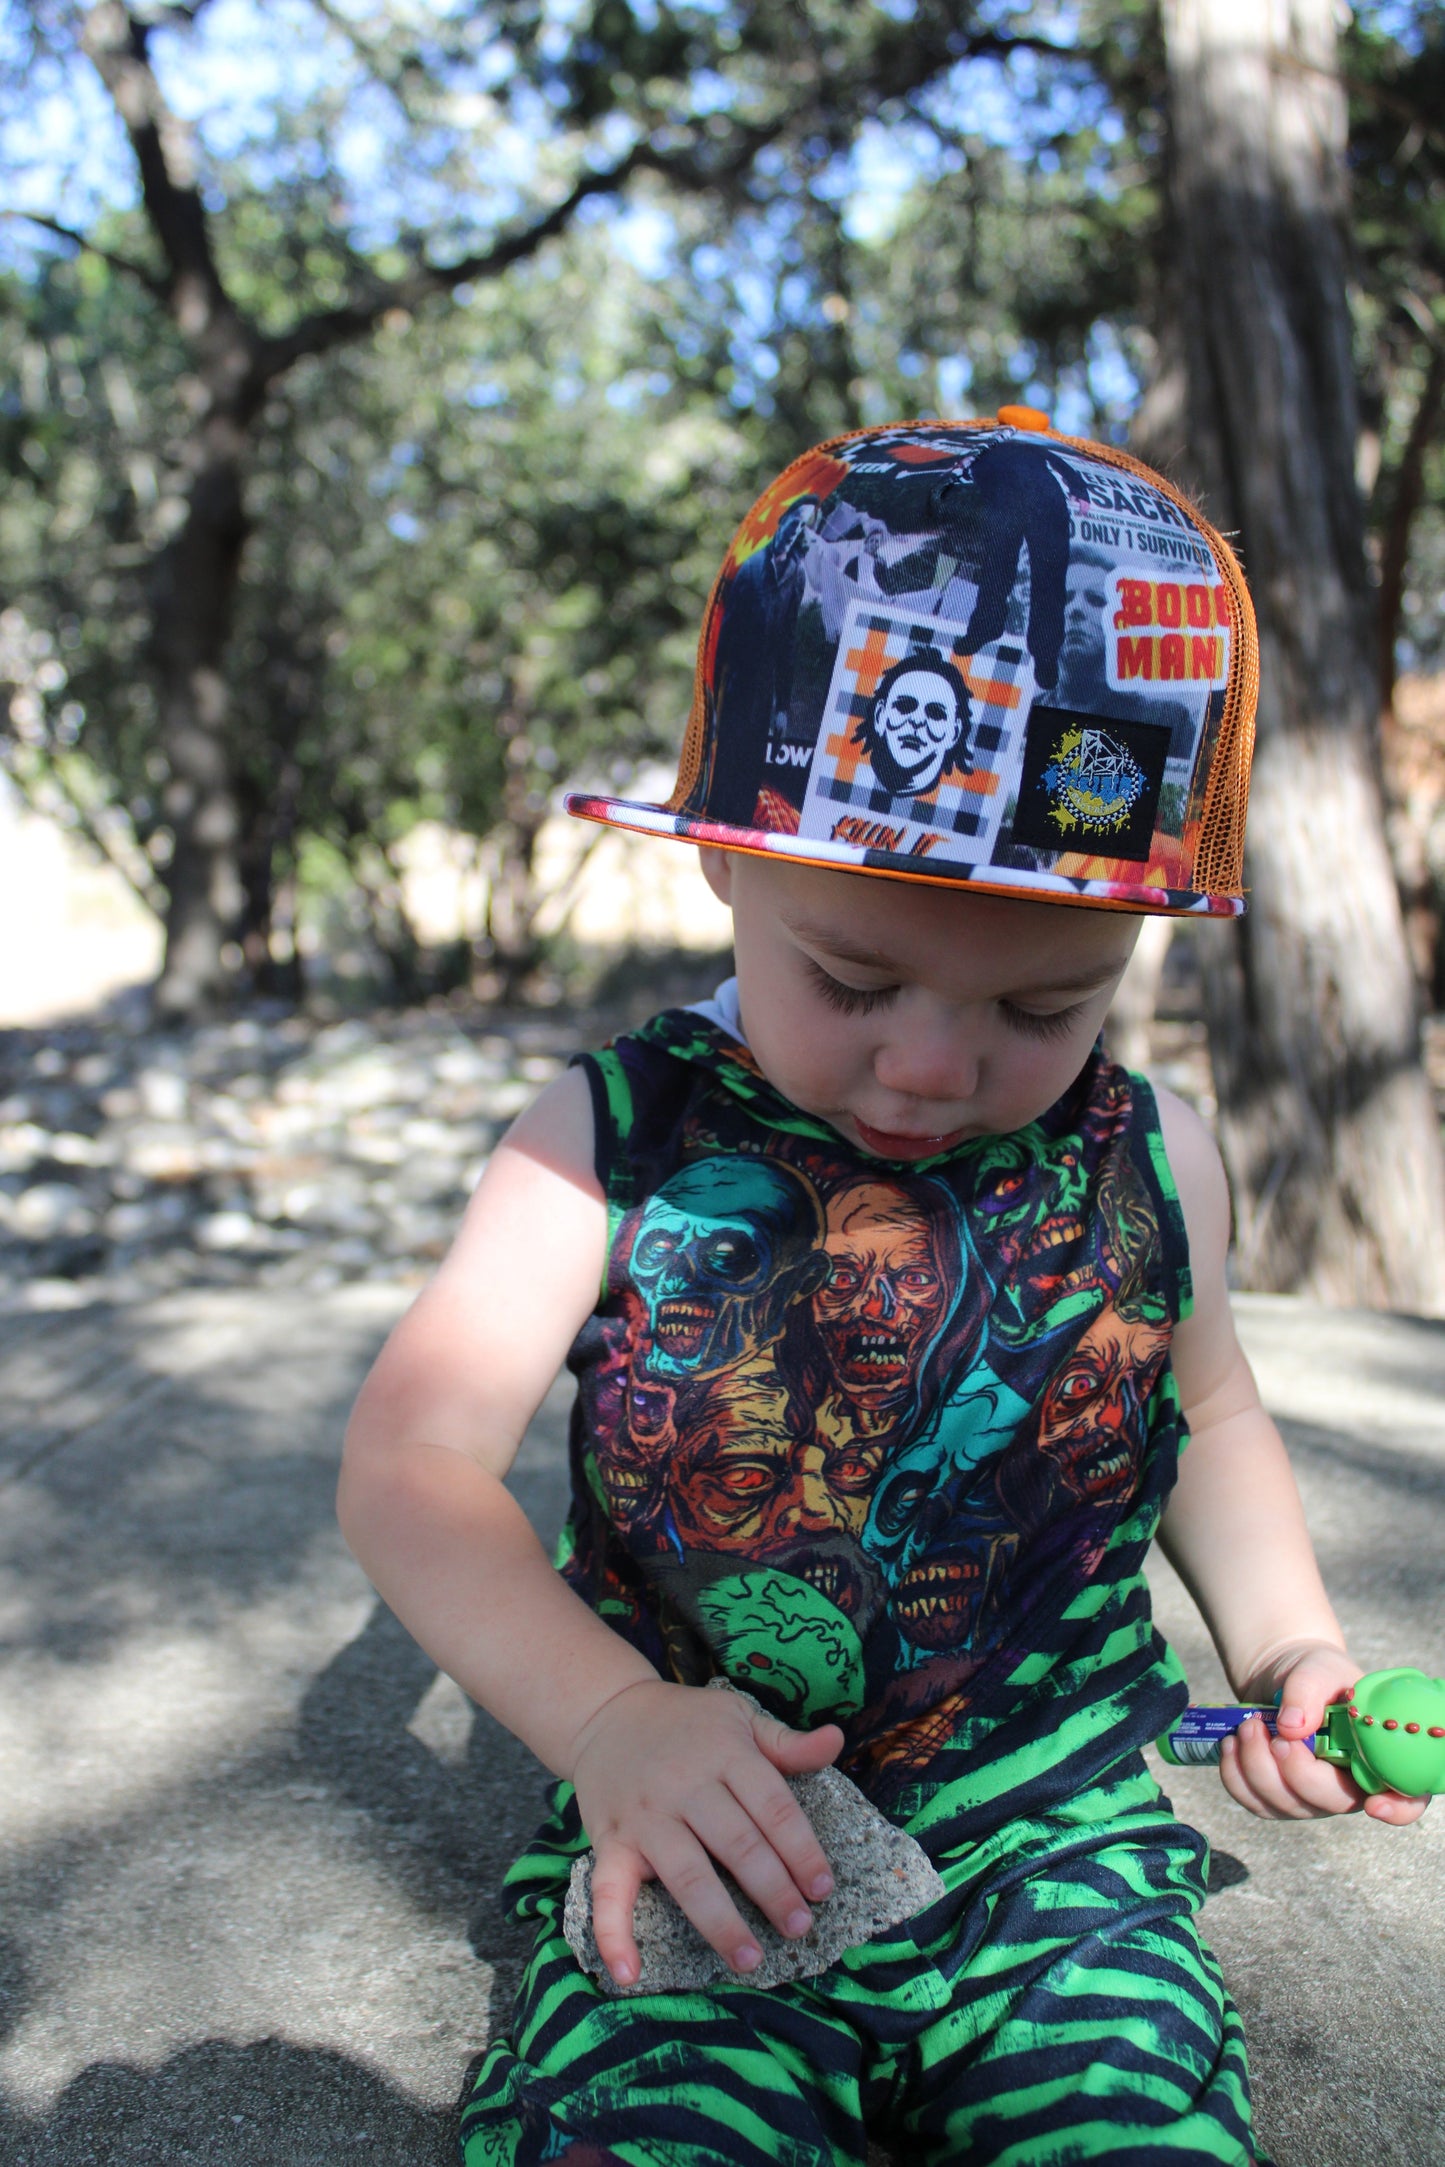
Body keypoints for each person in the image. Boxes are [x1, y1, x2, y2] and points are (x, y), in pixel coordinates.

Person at [338, 412, 1428, 2167]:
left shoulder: (1156, 1156)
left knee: (1131, 2135)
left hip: (1054, 1839)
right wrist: (610, 1722)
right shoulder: (603, 1143)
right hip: (714, 1824)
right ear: (721, 858)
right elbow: (409, 1469)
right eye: (851, 975)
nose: (928, 1067)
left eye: (1040, 1007)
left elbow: (1203, 1409)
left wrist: (1284, 1643)